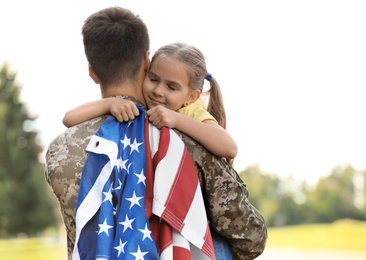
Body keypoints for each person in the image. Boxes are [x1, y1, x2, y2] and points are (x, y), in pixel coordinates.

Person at [44, 6, 267, 260]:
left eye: (171, 86)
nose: (160, 91)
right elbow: (249, 236)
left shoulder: (58, 150)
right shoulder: (185, 140)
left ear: (92, 73)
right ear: (146, 62)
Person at [62, 42, 237, 164]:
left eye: (172, 87)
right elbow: (69, 119)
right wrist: (109, 103)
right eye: (153, 79)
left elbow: (230, 148)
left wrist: (175, 119)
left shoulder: (191, 112)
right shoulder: (141, 105)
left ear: (191, 97)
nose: (158, 91)